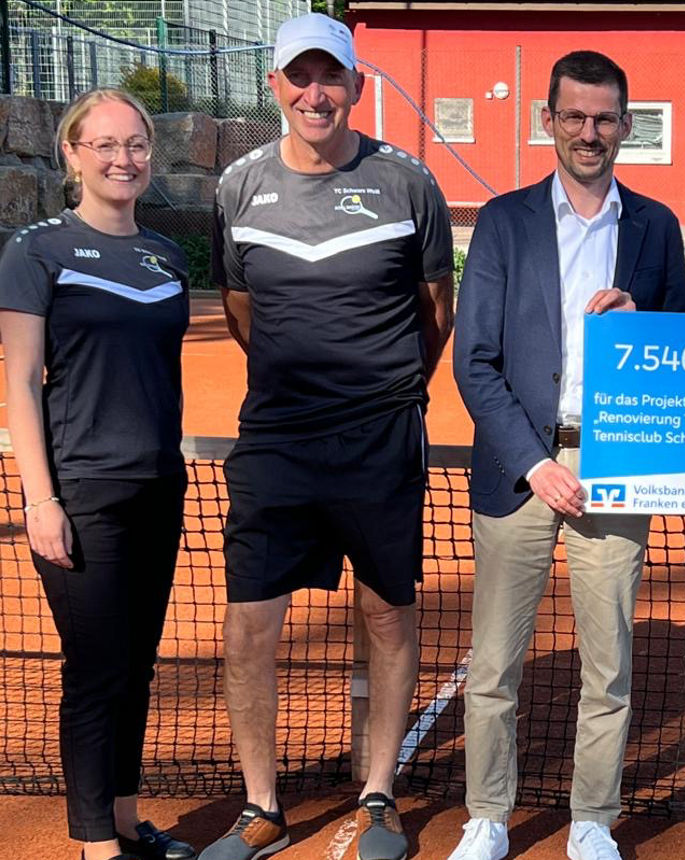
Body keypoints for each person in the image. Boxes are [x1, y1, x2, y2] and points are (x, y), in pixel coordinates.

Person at [198, 13, 454, 860]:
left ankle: (379, 794)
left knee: (386, 616)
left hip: (381, 441)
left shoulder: (407, 182)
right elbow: (242, 312)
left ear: (355, 85)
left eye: (331, 77)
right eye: (299, 78)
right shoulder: (237, 186)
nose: (317, 94)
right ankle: (260, 805)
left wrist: (383, 391)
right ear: (274, 86)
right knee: (249, 626)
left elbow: (435, 312)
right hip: (276, 443)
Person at [449, 50, 685, 860]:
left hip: (618, 467)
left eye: (605, 119)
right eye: (574, 117)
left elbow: (683, 348)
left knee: (609, 664)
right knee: (494, 664)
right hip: (522, 471)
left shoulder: (655, 227)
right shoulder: (503, 220)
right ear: (546, 120)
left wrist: (642, 319)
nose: (590, 133)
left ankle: (593, 818)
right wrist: (534, 462)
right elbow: (473, 361)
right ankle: (488, 814)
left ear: (626, 125)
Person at [0, 88, 193, 860]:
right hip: (80, 490)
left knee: (137, 664)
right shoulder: (35, 250)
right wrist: (39, 499)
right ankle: (95, 848)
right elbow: (18, 382)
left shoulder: (167, 256)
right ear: (73, 153)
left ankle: (122, 819)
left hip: (159, 487)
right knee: (95, 669)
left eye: (137, 144)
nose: (124, 158)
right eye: (105, 144)